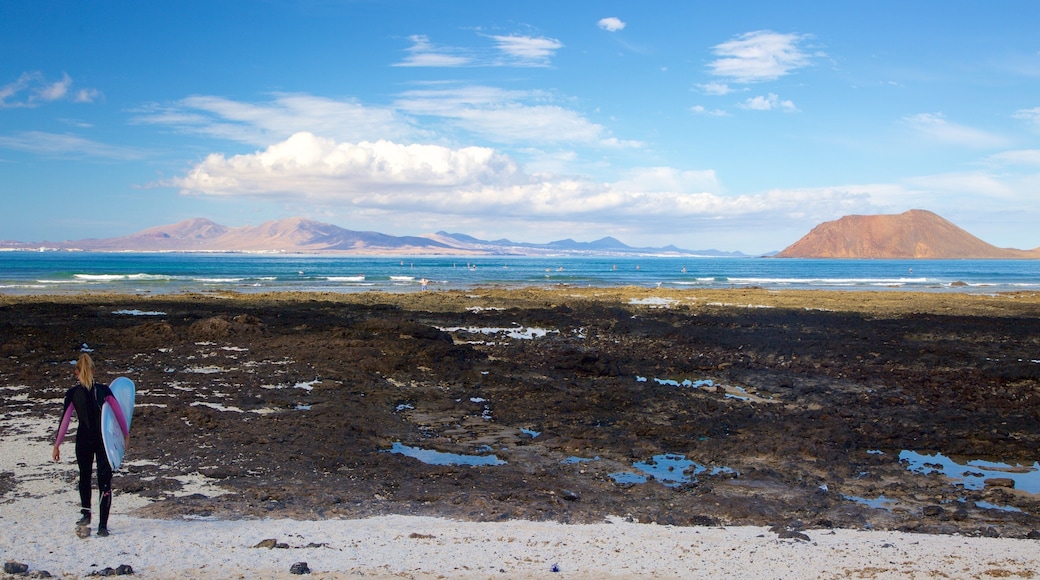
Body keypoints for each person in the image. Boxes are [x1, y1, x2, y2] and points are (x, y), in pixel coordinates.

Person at [52, 353, 129, 537]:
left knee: (85, 477)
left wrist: (57, 445)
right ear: (94, 370)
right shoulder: (104, 391)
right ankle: (102, 526)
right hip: (104, 441)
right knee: (104, 481)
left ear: (76, 372)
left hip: (83, 440)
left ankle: (86, 515)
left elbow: (65, 421)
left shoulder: (72, 394)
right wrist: (125, 436)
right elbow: (119, 415)